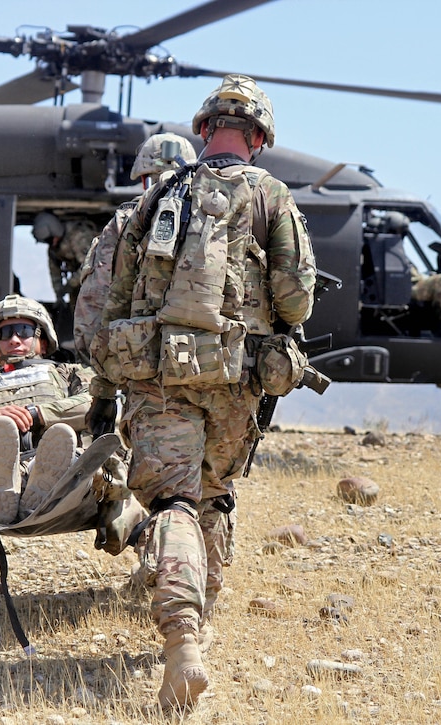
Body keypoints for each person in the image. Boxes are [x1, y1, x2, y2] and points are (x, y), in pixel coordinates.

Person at [85, 74, 317, 710]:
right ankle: (203, 619)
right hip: (237, 381)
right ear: (259, 138)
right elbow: (296, 299)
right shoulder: (272, 197)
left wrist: (104, 387)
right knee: (214, 495)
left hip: (160, 379)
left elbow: (115, 303)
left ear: (205, 128)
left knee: (172, 504)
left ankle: (182, 638)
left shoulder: (158, 197)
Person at [0, 295, 136, 551]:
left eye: (23, 331)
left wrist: (38, 413)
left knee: (66, 447)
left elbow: (97, 403)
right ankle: (9, 490)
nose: (14, 339)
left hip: (71, 472)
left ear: (43, 340)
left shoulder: (68, 372)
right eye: (5, 333)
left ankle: (36, 485)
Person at [73, 132, 197, 365]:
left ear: (143, 179)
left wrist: (93, 363)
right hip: (204, 358)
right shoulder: (212, 219)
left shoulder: (126, 223)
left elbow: (96, 299)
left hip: (141, 359)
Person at [31, 211, 98, 309]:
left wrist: (71, 284)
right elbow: (55, 274)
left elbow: (90, 264)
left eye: (50, 239)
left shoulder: (78, 236)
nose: (51, 244)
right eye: (47, 241)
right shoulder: (54, 250)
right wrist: (59, 295)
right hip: (80, 285)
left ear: (55, 230)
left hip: (96, 282)